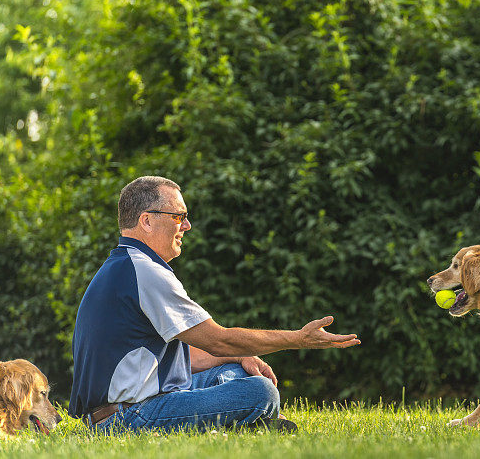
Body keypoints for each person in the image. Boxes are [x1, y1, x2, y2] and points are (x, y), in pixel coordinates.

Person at [68, 176, 360, 433]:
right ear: (146, 220)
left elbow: (186, 359)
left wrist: (238, 357)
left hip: (123, 410)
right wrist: (299, 339)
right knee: (260, 391)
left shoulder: (124, 265)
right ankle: (256, 418)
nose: (187, 225)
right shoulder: (145, 272)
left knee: (240, 371)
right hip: (129, 418)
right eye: (178, 216)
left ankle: (251, 421)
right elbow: (218, 340)